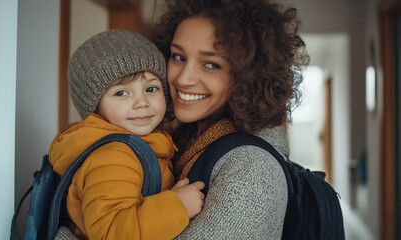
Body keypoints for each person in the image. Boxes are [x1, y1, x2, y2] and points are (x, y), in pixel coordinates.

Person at [151, 0, 309, 238]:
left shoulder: (252, 169)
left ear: (249, 76)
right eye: (178, 56)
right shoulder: (186, 137)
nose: (183, 78)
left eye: (211, 64)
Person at [49, 29, 204, 240]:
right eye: (121, 93)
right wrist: (177, 206)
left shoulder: (144, 141)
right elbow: (112, 232)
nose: (142, 102)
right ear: (95, 107)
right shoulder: (112, 157)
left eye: (151, 89)